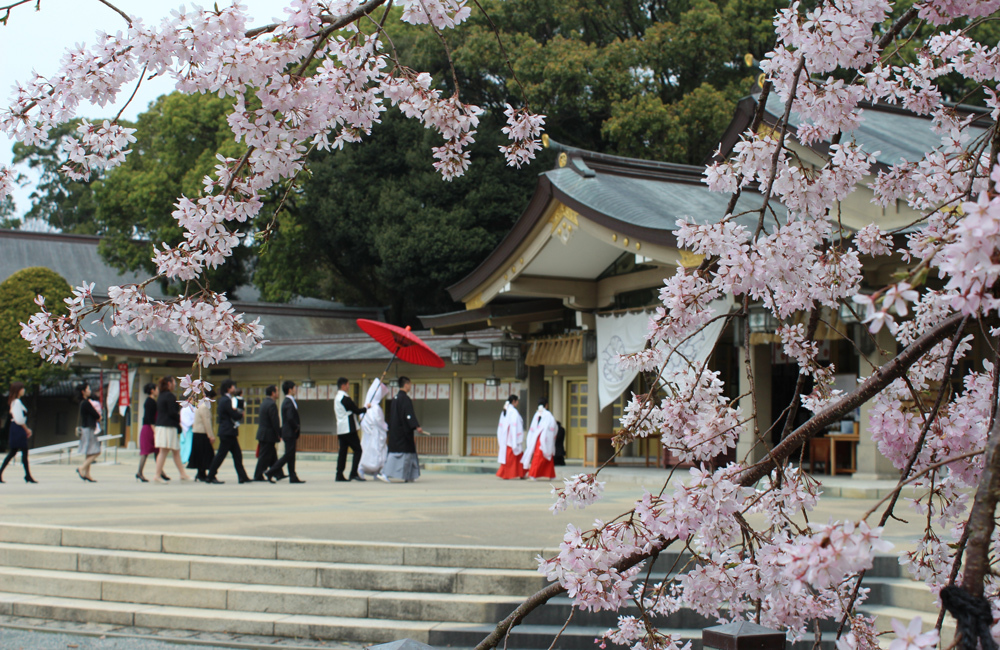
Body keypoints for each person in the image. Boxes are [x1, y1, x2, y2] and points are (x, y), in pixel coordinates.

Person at [379, 377, 426, 483]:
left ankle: (409, 475)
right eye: (409, 384)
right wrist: (416, 426)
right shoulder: (405, 399)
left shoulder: (395, 398)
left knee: (406, 454)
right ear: (406, 385)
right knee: (399, 455)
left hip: (396, 430)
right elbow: (408, 414)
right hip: (403, 432)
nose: (410, 386)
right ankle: (385, 473)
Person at [206, 379, 250, 484]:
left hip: (229, 432)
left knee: (237, 455)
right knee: (221, 455)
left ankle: (242, 476)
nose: (234, 388)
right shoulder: (226, 400)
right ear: (228, 388)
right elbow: (232, 414)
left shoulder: (225, 399)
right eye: (232, 387)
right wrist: (240, 415)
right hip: (227, 432)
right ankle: (210, 476)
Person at [153, 376, 192, 483]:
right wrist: (178, 421)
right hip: (167, 426)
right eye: (174, 382)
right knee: (164, 451)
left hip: (163, 426)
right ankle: (157, 474)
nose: (175, 384)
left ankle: (183, 474)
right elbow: (172, 413)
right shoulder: (169, 396)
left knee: (176, 451)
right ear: (169, 384)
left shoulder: (161, 395)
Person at [266, 381, 303, 483]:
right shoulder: (288, 402)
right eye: (294, 388)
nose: (295, 390)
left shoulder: (289, 401)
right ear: (290, 390)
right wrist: (296, 427)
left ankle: (293, 476)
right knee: (288, 455)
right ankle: (271, 471)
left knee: (291, 455)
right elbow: (290, 418)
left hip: (289, 432)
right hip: (289, 432)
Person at [1, 382, 36, 484]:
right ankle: (28, 475)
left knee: (15, 452)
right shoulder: (16, 402)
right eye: (22, 388)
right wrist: (27, 429)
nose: (24, 390)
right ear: (18, 390)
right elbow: (19, 419)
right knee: (20, 452)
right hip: (18, 429)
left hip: (17, 429)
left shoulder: (15, 402)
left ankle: (27, 475)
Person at [334, 377, 367, 482]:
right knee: (358, 450)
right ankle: (353, 473)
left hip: (341, 428)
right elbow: (356, 410)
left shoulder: (337, 398)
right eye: (348, 385)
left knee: (343, 452)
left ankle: (339, 473)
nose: (348, 387)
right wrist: (366, 408)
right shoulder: (345, 398)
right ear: (343, 386)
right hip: (348, 428)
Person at [358, 378, 390, 479]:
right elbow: (379, 421)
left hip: (368, 435)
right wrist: (385, 427)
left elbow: (362, 420)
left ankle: (363, 469)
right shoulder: (375, 408)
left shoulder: (365, 407)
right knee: (379, 453)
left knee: (366, 451)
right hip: (376, 434)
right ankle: (379, 471)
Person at [522, 397, 557, 480]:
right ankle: (533, 474)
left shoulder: (537, 414)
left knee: (542, 458)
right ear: (546, 405)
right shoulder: (547, 414)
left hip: (537, 438)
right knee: (540, 458)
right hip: (544, 439)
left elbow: (533, 428)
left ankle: (550, 475)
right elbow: (553, 426)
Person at [253, 385, 284, 481]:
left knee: (272, 455)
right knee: (264, 456)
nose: (278, 393)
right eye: (277, 391)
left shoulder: (264, 403)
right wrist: (279, 433)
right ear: (273, 393)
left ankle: (278, 473)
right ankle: (258, 475)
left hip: (263, 433)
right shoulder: (271, 404)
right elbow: (274, 421)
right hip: (268, 434)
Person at [136, 382, 165, 482]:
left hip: (150, 428)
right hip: (149, 429)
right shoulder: (150, 402)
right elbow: (150, 419)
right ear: (152, 390)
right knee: (146, 452)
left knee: (157, 451)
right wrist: (155, 431)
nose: (158, 391)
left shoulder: (151, 401)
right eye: (156, 389)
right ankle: (139, 472)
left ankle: (161, 472)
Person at [187, 388, 217, 482]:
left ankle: (201, 473)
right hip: (202, 433)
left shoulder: (200, 405)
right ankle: (202, 473)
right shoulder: (205, 407)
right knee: (207, 454)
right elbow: (206, 422)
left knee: (201, 455)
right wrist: (211, 435)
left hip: (197, 433)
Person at [76, 383, 102, 482]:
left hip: (86, 428)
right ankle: (82, 468)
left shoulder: (83, 403)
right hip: (89, 428)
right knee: (96, 451)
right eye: (88, 389)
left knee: (89, 452)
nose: (89, 390)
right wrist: (99, 417)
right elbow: (95, 414)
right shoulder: (86, 403)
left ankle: (87, 474)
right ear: (83, 391)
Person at [495, 395, 526, 480]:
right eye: (517, 401)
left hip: (506, 438)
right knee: (513, 457)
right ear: (514, 401)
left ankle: (517, 473)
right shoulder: (513, 412)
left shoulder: (505, 411)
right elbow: (515, 426)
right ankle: (514, 473)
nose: (518, 403)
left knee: (512, 457)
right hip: (512, 437)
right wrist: (517, 438)